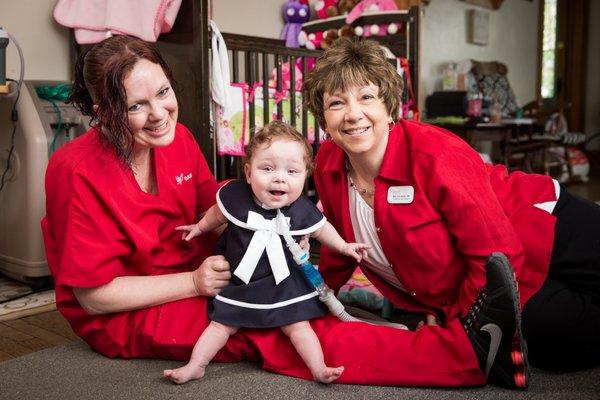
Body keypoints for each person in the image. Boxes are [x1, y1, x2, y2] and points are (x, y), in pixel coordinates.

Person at [42, 35, 525, 390]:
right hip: (132, 309)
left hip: (216, 273)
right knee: (280, 329)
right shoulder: (76, 170)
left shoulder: (178, 139)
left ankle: (425, 333)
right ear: (102, 110)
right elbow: (93, 298)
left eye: (164, 93)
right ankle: (465, 355)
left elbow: (219, 203)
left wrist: (277, 212)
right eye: (136, 106)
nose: (160, 114)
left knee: (293, 301)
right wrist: (194, 282)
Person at [302, 37, 600, 382]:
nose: (353, 114)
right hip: (498, 270)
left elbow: (497, 251)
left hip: (542, 218)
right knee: (557, 344)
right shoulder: (328, 163)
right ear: (323, 117)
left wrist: (461, 323)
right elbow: (339, 243)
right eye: (336, 103)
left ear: (389, 105)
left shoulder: (435, 153)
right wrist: (312, 299)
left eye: (366, 97)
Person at [164, 121, 369, 384]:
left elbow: (321, 229)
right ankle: (196, 365)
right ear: (249, 173)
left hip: (284, 284)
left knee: (299, 326)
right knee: (220, 326)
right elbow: (217, 214)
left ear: (305, 176)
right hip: (242, 282)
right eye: (268, 169)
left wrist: (344, 246)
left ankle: (319, 368)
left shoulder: (300, 208)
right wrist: (199, 227)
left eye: (291, 171)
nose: (279, 178)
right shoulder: (237, 198)